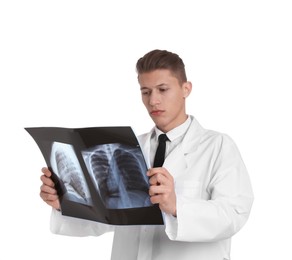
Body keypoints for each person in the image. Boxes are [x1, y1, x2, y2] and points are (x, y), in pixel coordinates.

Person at [40, 49, 254, 260]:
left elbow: (234, 214)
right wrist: (66, 203)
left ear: (185, 89)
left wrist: (177, 206)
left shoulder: (217, 146)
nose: (153, 101)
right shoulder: (127, 147)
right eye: (146, 91)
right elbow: (106, 216)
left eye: (162, 89)